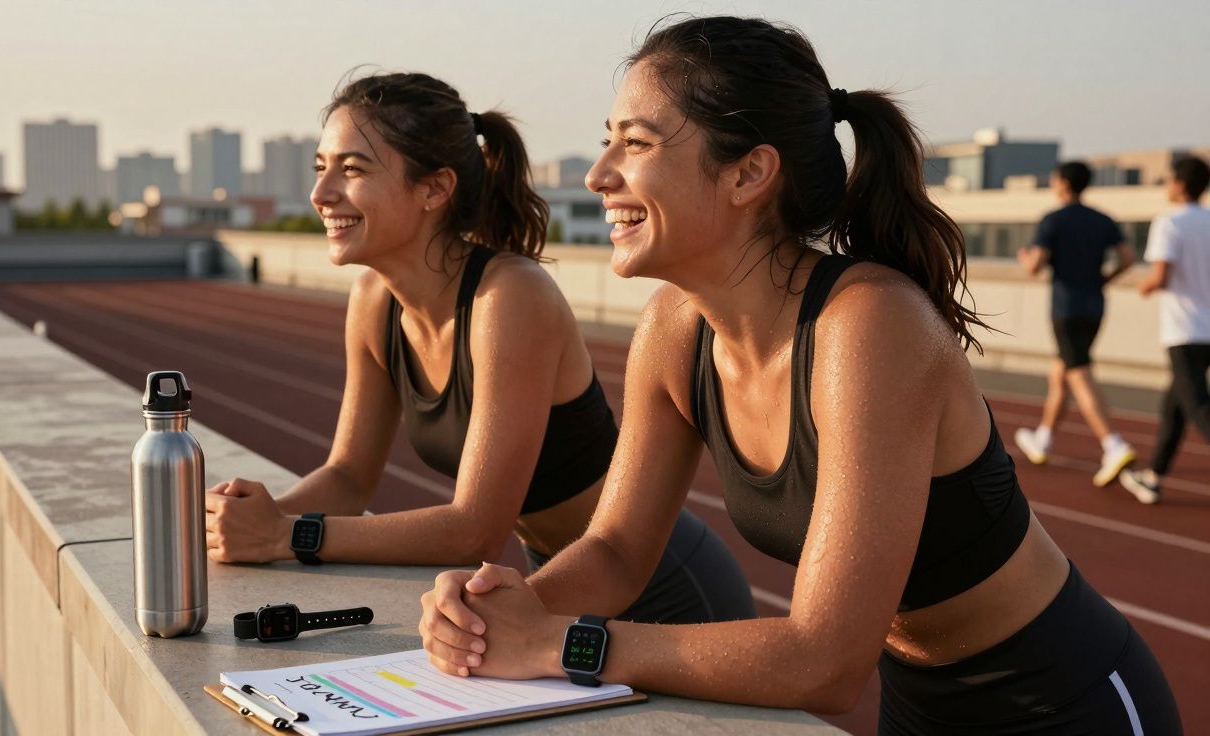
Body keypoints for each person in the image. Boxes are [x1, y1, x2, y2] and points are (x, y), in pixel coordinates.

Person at [417, 16, 1182, 734]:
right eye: (606, 142)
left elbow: (823, 662)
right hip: (917, 700)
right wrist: (499, 610)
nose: (597, 175)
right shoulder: (674, 327)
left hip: (1065, 699)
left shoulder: (870, 324)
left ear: (749, 172)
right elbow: (616, 549)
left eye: (636, 143)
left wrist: (559, 644)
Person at [204, 71, 755, 625]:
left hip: (664, 587)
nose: (321, 194)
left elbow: (475, 530)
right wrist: (245, 522)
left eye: (352, 170)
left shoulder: (508, 296)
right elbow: (348, 477)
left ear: (434, 189)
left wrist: (288, 535)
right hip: (561, 579)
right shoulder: (375, 300)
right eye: (321, 168)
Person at [1014, 161, 1138, 486]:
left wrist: (1025, 257)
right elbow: (1128, 258)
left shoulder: (1053, 220)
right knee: (1061, 371)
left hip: (1066, 309)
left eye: (1054, 179)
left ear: (1064, 184)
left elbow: (1035, 266)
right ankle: (1043, 438)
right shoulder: (1102, 219)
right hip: (1095, 307)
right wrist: (1104, 279)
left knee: (1078, 373)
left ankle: (1113, 444)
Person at [1120, 156, 1210, 505]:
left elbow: (1160, 276)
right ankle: (1153, 476)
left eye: (1169, 179)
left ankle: (1154, 476)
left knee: (1198, 407)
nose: (1166, 185)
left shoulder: (1170, 222)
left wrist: (1142, 287)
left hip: (1186, 330)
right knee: (1175, 405)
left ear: (1181, 184)